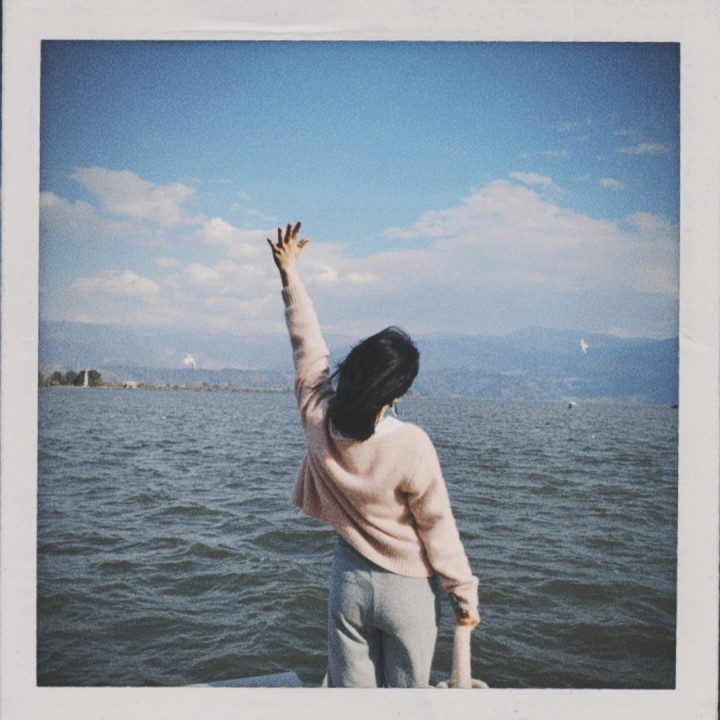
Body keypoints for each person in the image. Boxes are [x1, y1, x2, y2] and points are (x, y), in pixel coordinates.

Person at [267, 221, 480, 688]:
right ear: (397, 391)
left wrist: (290, 275)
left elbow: (307, 349)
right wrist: (464, 595)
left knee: (351, 703)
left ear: (355, 368)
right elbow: (438, 528)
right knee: (407, 703)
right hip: (409, 592)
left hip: (350, 583)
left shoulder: (318, 417)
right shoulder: (413, 445)